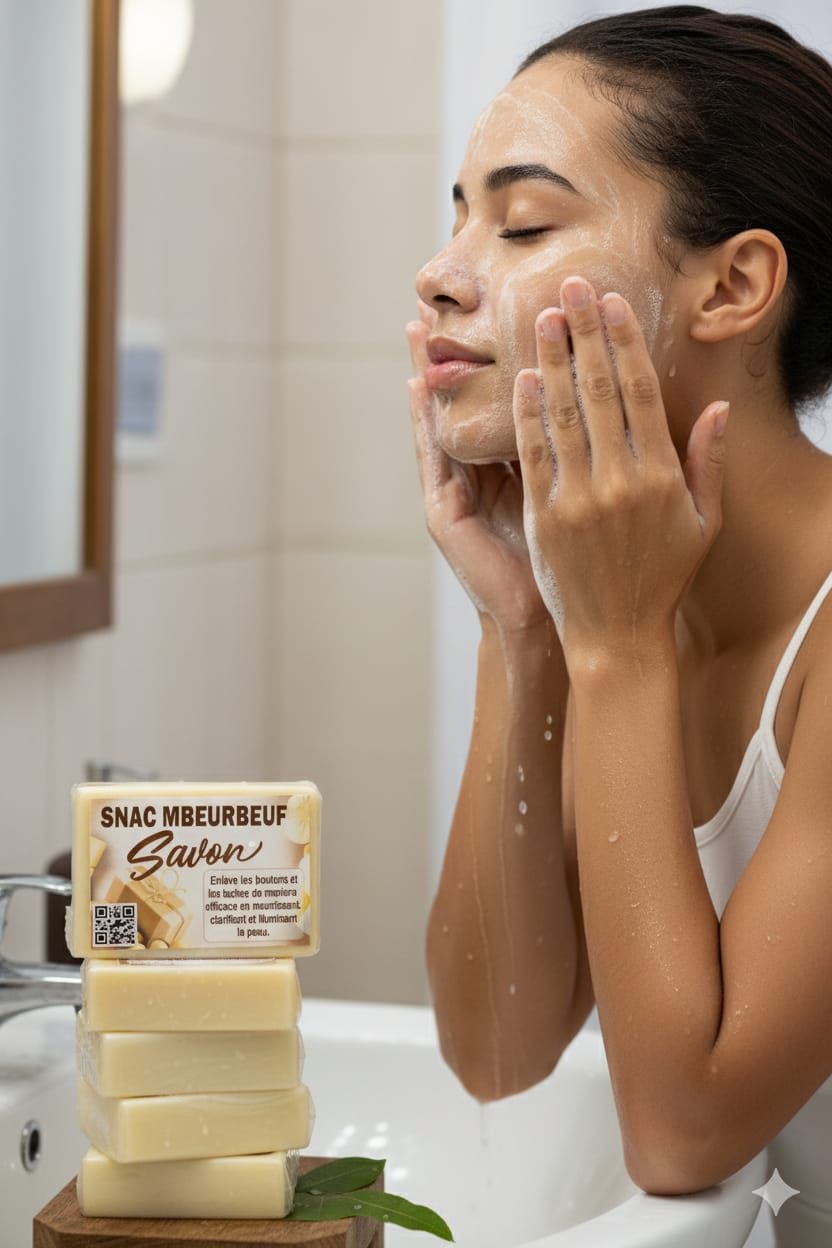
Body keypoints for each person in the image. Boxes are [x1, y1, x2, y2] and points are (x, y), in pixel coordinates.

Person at [405, 6, 832, 1244]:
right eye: (458, 215)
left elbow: (686, 1131)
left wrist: (616, 648)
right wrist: (525, 631)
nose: (441, 273)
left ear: (734, 286)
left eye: (523, 223)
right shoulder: (618, 605)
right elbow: (496, 1050)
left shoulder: (654, 628)